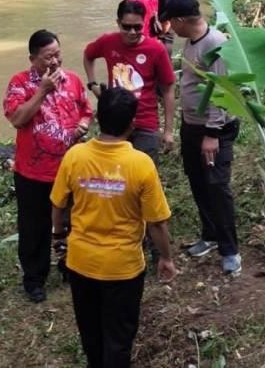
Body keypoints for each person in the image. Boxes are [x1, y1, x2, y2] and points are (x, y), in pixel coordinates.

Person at [50, 87, 177, 368]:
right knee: (119, 338)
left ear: (97, 117)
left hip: (81, 262)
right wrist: (166, 258)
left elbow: (58, 205)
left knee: (91, 334)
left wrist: (59, 238)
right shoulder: (140, 164)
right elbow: (156, 222)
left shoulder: (75, 156)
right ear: (132, 123)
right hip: (123, 268)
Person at [3, 30, 93, 302]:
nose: (54, 62)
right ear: (33, 59)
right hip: (32, 172)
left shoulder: (74, 80)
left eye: (57, 54)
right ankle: (35, 279)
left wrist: (81, 127)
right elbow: (18, 119)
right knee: (34, 226)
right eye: (46, 58)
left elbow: (87, 111)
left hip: (70, 168)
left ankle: (71, 266)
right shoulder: (20, 83)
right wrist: (42, 91)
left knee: (74, 220)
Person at [161, 0, 241, 273]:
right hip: (191, 125)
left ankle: (230, 249)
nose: (169, 26)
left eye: (171, 21)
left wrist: (212, 134)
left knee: (217, 185)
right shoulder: (190, 42)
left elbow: (222, 90)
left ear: (181, 21)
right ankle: (210, 235)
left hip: (215, 129)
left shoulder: (215, 43)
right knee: (197, 180)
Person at [83, 0, 176, 163]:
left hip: (145, 123)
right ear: (118, 23)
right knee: (113, 177)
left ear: (144, 23)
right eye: (126, 27)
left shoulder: (156, 49)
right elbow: (88, 55)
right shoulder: (107, 42)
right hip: (115, 122)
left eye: (137, 27)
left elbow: (168, 89)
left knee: (143, 174)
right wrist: (92, 84)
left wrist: (168, 131)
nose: (132, 32)